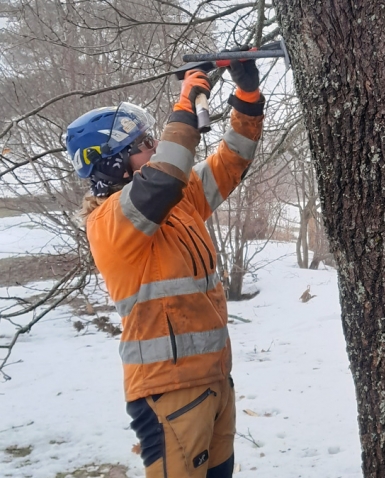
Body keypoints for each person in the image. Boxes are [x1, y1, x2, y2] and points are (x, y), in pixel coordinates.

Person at [66, 57, 264, 477]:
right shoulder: (110, 222)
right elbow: (166, 175)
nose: (153, 147)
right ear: (111, 164)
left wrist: (246, 98)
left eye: (152, 139)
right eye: (141, 145)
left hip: (213, 381)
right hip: (168, 393)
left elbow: (232, 160)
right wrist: (186, 105)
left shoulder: (177, 203)